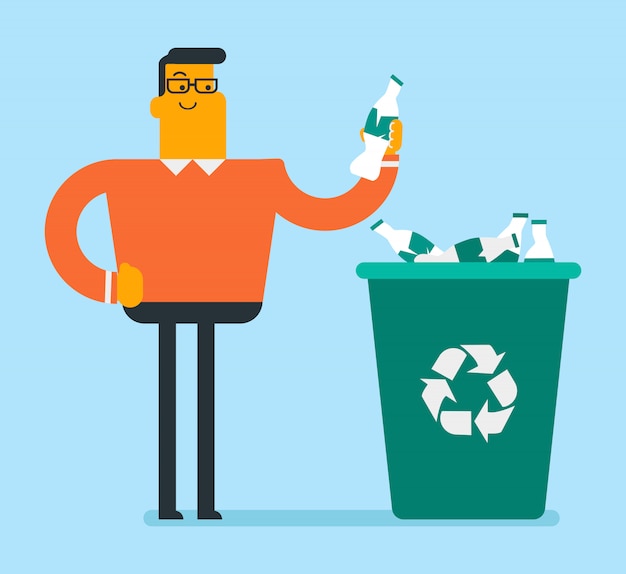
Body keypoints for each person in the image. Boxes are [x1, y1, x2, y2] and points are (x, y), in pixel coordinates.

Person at [44, 47, 402, 519]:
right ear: (158, 103)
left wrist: (384, 161)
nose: (195, 95)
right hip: (155, 296)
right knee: (170, 394)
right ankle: (169, 501)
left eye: (206, 86)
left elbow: (330, 212)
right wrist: (108, 285)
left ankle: (206, 501)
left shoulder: (258, 176)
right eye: (181, 85)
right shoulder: (121, 175)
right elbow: (60, 225)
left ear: (223, 101)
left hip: (228, 293)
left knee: (204, 396)